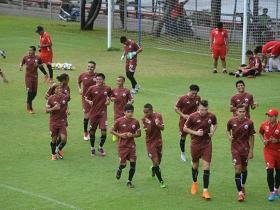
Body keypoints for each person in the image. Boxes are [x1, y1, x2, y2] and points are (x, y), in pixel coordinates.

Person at [183, 100, 217, 200]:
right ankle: (194, 183)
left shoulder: (211, 116)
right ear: (198, 108)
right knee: (195, 165)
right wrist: (196, 133)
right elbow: (185, 128)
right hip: (195, 144)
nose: (204, 112)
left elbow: (215, 124)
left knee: (206, 167)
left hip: (207, 144)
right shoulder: (192, 116)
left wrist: (212, 132)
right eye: (202, 110)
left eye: (206, 110)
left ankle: (205, 191)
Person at [227, 104, 255, 202]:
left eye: (243, 111)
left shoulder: (250, 122)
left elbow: (252, 136)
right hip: (235, 149)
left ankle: (242, 185)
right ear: (236, 112)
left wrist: (251, 150)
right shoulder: (231, 121)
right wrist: (229, 136)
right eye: (240, 111)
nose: (242, 113)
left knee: (244, 168)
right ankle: (240, 193)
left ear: (245, 112)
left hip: (245, 149)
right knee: (238, 169)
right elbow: (227, 130)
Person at [111, 104, 141, 188]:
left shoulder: (135, 122)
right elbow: (111, 130)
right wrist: (120, 135)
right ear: (124, 112)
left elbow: (139, 134)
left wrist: (132, 135)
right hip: (122, 146)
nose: (130, 114)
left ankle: (129, 181)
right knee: (124, 164)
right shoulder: (119, 121)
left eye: (131, 112)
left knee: (133, 163)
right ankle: (120, 169)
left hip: (131, 146)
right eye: (128, 112)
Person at [85, 73, 111, 156]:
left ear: (103, 80)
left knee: (104, 132)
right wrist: (89, 101)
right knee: (92, 132)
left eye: (100, 79)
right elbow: (86, 97)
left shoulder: (107, 88)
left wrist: (108, 101)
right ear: (95, 80)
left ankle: (100, 147)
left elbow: (110, 96)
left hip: (103, 113)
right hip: (93, 113)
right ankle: (92, 148)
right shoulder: (91, 88)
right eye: (97, 79)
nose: (99, 81)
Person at [142, 103, 166, 188]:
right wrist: (150, 124)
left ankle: (153, 168)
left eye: (147, 112)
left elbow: (163, 128)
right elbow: (147, 132)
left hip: (158, 141)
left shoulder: (158, 115)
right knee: (155, 161)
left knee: (158, 161)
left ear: (151, 110)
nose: (145, 114)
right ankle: (161, 181)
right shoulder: (144, 119)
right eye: (144, 112)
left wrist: (157, 124)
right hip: (150, 142)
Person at [175, 84, 201, 162]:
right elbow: (176, 108)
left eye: (196, 93)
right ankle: (182, 153)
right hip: (184, 121)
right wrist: (183, 115)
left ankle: (195, 155)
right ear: (189, 91)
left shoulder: (198, 98)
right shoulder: (183, 98)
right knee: (183, 137)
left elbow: (199, 107)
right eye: (193, 93)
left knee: (196, 137)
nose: (194, 95)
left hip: (194, 121)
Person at [259, 108, 280, 201]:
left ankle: (276, 189)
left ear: (276, 117)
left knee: (278, 172)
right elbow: (260, 133)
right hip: (268, 151)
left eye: (271, 116)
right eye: (268, 115)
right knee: (270, 170)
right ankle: (271, 192)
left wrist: (278, 140)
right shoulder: (264, 125)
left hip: (278, 152)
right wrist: (263, 140)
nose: (269, 117)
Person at [46, 85, 70, 160]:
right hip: (53, 122)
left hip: (62, 121)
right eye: (57, 88)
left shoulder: (65, 97)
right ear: (54, 90)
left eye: (60, 88)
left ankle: (58, 149)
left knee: (64, 139)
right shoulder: (50, 98)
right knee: (54, 139)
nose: (59, 89)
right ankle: (53, 154)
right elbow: (46, 110)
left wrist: (67, 110)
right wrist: (54, 108)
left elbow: (66, 104)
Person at [20, 46, 46, 114]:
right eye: (28, 50)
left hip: (35, 77)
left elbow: (41, 66)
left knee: (34, 94)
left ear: (34, 51)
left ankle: (28, 101)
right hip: (28, 77)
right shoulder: (25, 57)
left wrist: (45, 73)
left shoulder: (38, 58)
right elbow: (22, 63)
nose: (29, 52)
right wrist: (21, 66)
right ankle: (30, 108)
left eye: (31, 50)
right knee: (30, 92)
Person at [78, 61, 97, 141]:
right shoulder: (82, 75)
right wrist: (79, 88)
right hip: (85, 99)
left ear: (94, 68)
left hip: (95, 99)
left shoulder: (97, 76)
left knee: (93, 116)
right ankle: (85, 132)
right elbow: (78, 82)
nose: (90, 68)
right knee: (87, 116)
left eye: (92, 67)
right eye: (89, 66)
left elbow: (102, 83)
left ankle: (91, 131)